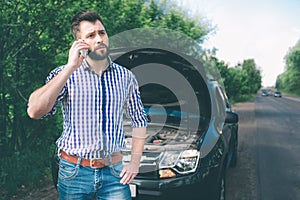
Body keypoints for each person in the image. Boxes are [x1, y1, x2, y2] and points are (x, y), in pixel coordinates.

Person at [27, 10, 147, 199]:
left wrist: (134, 162)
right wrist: (69, 67)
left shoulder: (126, 77)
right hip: (74, 172)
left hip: (114, 173)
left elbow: (139, 119)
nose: (99, 39)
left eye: (102, 32)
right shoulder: (64, 75)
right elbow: (34, 111)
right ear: (79, 43)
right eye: (91, 35)